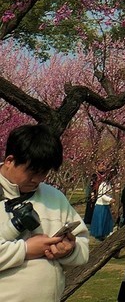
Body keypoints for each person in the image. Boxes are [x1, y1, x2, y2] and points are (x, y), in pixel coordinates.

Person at [0, 124, 89, 302]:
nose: (38, 180)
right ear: (10, 161)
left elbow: (83, 248)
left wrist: (69, 251)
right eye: (32, 172)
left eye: (44, 173)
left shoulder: (54, 197)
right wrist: (25, 250)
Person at [90, 175, 114, 240]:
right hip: (101, 205)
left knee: (106, 220)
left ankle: (104, 234)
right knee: (101, 221)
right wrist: (110, 200)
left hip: (106, 205)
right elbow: (102, 195)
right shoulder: (103, 185)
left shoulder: (108, 184)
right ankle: (99, 235)